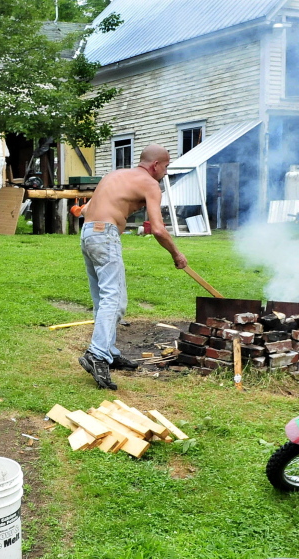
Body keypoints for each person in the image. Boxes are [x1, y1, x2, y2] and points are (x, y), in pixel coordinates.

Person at [76, 144, 188, 390]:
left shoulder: (115, 175)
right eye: (166, 167)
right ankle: (97, 354)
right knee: (114, 299)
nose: (166, 173)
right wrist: (176, 254)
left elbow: (85, 209)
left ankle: (109, 351)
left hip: (87, 232)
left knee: (102, 297)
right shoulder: (150, 183)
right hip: (104, 235)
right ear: (155, 165)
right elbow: (158, 228)